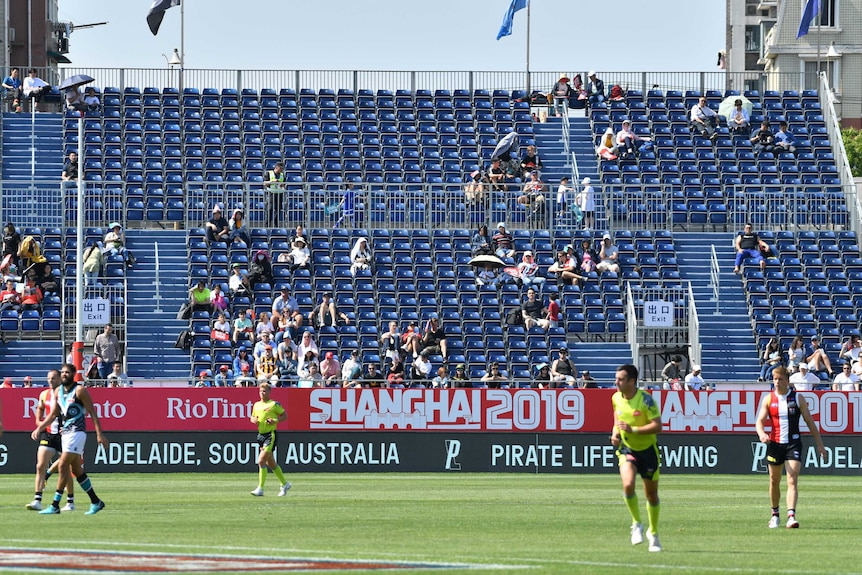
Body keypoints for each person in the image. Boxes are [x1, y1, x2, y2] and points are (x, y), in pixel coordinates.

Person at [31, 363, 108, 515]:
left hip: (77, 432)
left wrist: (99, 434)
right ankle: (96, 501)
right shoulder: (58, 392)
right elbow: (53, 414)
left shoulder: (80, 390)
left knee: (62, 465)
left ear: (73, 374)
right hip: (65, 433)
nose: (64, 374)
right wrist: (39, 428)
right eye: (63, 372)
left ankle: (54, 504)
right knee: (77, 470)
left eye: (67, 372)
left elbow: (92, 412)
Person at [755, 366, 826, 529]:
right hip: (775, 444)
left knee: (792, 477)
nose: (777, 382)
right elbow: (759, 421)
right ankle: (775, 515)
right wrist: (761, 434)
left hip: (793, 443)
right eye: (775, 379)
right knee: (774, 481)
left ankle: (791, 516)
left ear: (787, 381)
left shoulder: (798, 398)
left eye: (780, 379)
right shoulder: (768, 399)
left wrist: (820, 445)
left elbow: (810, 422)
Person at [610, 363, 663, 552]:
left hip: (648, 451)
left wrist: (633, 429)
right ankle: (636, 523)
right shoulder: (616, 398)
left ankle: (654, 534)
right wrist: (616, 433)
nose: (616, 382)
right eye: (616, 379)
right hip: (627, 449)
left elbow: (657, 426)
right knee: (628, 484)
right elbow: (618, 419)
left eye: (621, 379)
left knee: (651, 495)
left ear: (632, 381)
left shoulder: (646, 401)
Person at [27, 369, 74, 512]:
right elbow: (40, 408)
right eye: (48, 378)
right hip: (48, 434)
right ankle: (37, 500)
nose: (50, 381)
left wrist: (67, 426)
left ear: (60, 379)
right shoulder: (44, 394)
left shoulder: (67, 394)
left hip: (63, 435)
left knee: (66, 469)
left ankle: (70, 501)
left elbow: (74, 413)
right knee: (40, 465)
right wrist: (38, 422)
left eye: (53, 378)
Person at [249, 382, 291, 497]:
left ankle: (260, 488)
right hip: (260, 435)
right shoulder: (256, 405)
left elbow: (284, 416)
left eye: (264, 391)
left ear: (269, 392)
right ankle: (285, 483)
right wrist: (253, 420)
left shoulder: (273, 404)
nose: (262, 393)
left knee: (261, 461)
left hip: (270, 435)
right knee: (271, 463)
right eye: (260, 391)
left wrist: (275, 421)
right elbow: (252, 417)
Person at [264, 162, 285, 227]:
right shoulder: (269, 173)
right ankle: (267, 225)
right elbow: (265, 183)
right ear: (276, 167)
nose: (281, 170)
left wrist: (282, 185)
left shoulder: (282, 175)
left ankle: (276, 225)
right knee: (270, 209)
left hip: (279, 193)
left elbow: (284, 184)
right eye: (280, 168)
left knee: (278, 210)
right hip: (271, 193)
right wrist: (273, 181)